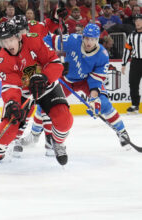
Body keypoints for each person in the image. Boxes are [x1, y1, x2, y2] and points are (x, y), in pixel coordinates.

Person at [0, 18, 73, 174]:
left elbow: (55, 63)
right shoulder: (1, 62)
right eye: (4, 41)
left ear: (18, 37)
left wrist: (45, 77)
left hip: (46, 85)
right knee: (8, 127)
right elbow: (10, 87)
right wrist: (12, 103)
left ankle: (58, 142)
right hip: (23, 92)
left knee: (64, 119)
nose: (8, 45)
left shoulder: (34, 41)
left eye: (11, 39)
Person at [24, 23, 132, 152]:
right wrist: (38, 51)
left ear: (97, 39)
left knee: (104, 104)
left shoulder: (102, 55)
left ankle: (122, 133)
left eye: (92, 39)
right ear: (83, 37)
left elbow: (95, 81)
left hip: (86, 80)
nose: (89, 42)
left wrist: (94, 99)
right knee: (44, 104)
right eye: (86, 38)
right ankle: (35, 134)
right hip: (66, 79)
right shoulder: (73, 40)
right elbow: (50, 40)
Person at [122, 13, 142, 114]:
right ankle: (135, 105)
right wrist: (123, 64)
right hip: (135, 62)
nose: (137, 22)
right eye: (136, 20)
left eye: (139, 20)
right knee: (133, 83)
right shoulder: (131, 36)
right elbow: (127, 50)